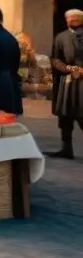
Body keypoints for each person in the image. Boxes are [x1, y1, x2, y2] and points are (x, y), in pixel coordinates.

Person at [47, 9, 83, 158]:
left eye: (74, 18)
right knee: (65, 116)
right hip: (67, 83)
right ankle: (66, 149)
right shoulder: (61, 37)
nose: (71, 20)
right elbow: (55, 59)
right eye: (68, 18)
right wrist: (67, 68)